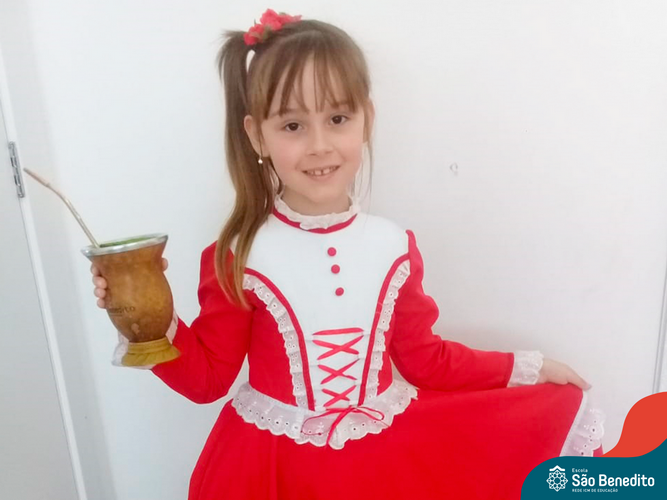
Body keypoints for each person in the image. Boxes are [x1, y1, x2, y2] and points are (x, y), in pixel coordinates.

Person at [91, 8, 606, 499]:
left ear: (366, 120)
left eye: (337, 118)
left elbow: (427, 361)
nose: (320, 145)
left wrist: (528, 368)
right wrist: (145, 319)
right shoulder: (238, 254)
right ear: (257, 136)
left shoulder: (393, 246)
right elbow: (207, 380)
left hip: (383, 466)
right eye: (292, 126)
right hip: (272, 472)